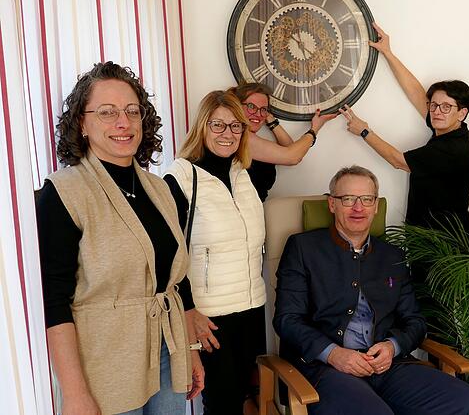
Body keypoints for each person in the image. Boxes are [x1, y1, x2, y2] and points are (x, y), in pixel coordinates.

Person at [37, 62, 203, 415]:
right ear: (82, 122)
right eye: (107, 113)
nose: (123, 123)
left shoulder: (159, 190)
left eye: (132, 111)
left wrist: (190, 352)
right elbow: (53, 301)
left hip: (166, 352)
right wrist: (75, 393)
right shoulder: (63, 193)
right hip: (104, 365)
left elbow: (176, 282)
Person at [273, 165, 469, 415]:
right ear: (332, 204)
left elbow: (415, 322)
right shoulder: (303, 248)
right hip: (326, 370)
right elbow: (287, 320)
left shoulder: (392, 256)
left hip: (389, 367)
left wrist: (392, 347)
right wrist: (334, 354)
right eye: (348, 199)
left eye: (367, 199)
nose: (358, 208)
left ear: (376, 206)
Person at [163, 90, 266, 414]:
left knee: (240, 397)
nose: (228, 134)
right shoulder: (180, 177)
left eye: (236, 126)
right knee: (221, 404)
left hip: (250, 309)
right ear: (202, 127)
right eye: (218, 125)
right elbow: (169, 257)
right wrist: (190, 313)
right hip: (210, 318)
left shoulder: (243, 173)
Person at [340, 22, 469, 242]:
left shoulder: (452, 148)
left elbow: (398, 160)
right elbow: (416, 93)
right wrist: (387, 53)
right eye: (434, 105)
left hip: (444, 242)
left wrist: (364, 131)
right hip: (430, 235)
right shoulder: (451, 128)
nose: (437, 111)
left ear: (462, 113)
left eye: (446, 107)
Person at [228, 82, 337, 201]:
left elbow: (290, 147)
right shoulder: (239, 136)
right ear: (236, 107)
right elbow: (292, 157)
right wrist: (315, 128)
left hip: (251, 211)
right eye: (251, 106)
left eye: (263, 109)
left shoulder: (250, 136)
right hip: (237, 213)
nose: (258, 114)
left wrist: (270, 119)